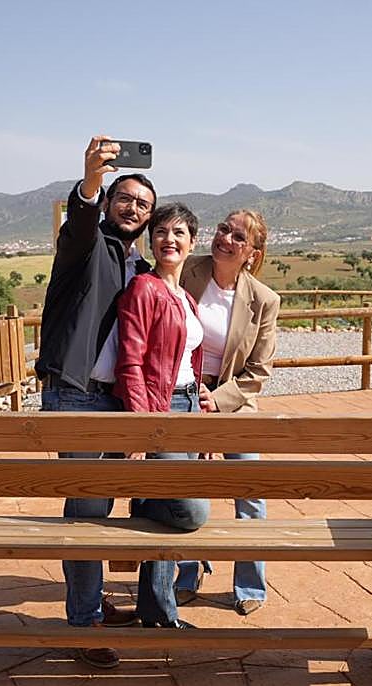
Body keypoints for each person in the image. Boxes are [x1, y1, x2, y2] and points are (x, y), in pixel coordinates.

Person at [34, 136, 156, 669]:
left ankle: (89, 602)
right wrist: (89, 179)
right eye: (124, 199)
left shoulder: (140, 266)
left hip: (113, 400)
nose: (132, 208)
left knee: (98, 506)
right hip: (77, 394)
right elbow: (79, 222)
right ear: (108, 203)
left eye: (143, 205)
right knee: (86, 509)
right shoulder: (87, 244)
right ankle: (84, 621)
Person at [176, 210, 281, 615]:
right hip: (182, 390)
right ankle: (185, 574)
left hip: (234, 400)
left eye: (238, 237)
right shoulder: (188, 272)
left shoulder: (264, 300)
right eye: (223, 229)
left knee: (248, 492)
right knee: (183, 489)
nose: (226, 239)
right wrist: (192, 394)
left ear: (252, 253)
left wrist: (217, 401)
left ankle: (251, 587)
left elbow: (258, 371)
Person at [113, 202, 210, 628]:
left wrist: (201, 402)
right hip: (161, 409)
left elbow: (187, 357)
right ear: (151, 241)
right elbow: (130, 361)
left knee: (163, 510)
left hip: (189, 406)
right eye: (161, 232)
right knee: (191, 512)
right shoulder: (144, 289)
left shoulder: (185, 297)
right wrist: (143, 427)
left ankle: (157, 611)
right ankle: (147, 504)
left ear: (192, 242)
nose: (169, 239)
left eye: (179, 233)